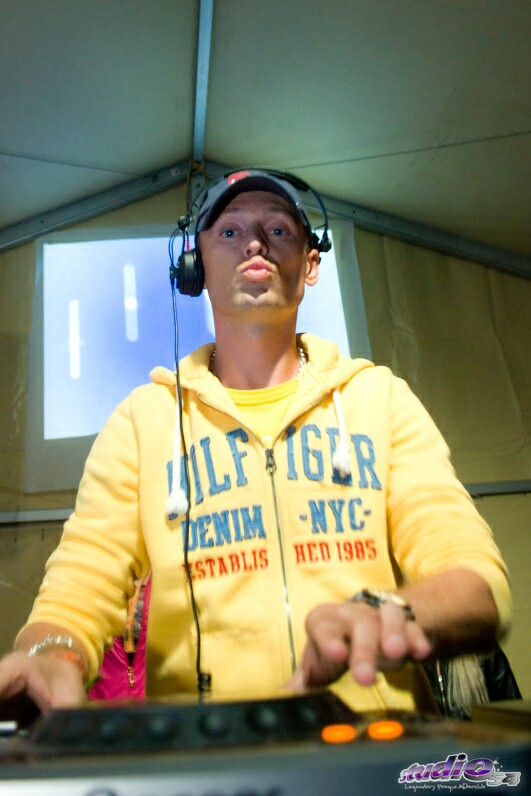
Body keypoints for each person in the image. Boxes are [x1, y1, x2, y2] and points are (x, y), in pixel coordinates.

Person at [0, 168, 511, 716]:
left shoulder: (378, 398)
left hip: (374, 737)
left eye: (278, 230)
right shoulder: (141, 422)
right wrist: (53, 655)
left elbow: (475, 582)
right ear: (195, 265)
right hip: (210, 749)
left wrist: (389, 613)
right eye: (230, 230)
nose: (254, 243)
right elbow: (79, 588)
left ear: (310, 264)